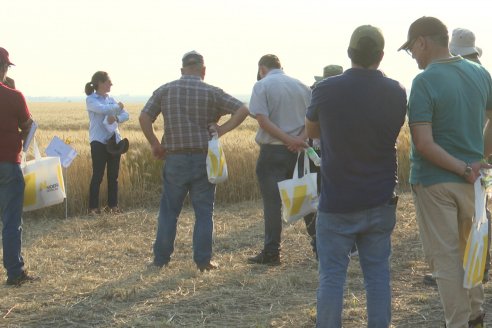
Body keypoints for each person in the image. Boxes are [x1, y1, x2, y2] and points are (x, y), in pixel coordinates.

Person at [306, 25, 406, 327]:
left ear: (349, 53)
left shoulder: (325, 89)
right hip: (380, 197)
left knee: (331, 277)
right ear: (381, 55)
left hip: (337, 200)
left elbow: (311, 133)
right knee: (377, 276)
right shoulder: (396, 90)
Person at [398, 16, 492, 328]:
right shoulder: (480, 73)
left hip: (435, 181)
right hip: (473, 183)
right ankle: (476, 313)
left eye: (412, 50)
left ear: (422, 41)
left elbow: (424, 144)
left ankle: (457, 321)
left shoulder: (424, 81)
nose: (414, 57)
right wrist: (479, 158)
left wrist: (462, 167)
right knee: (471, 248)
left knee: (446, 258)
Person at [139, 51, 249, 272]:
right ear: (203, 70)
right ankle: (203, 261)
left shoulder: (166, 90)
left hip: (175, 158)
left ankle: (160, 260)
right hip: (203, 157)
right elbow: (243, 109)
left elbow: (144, 117)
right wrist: (221, 130)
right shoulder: (211, 92)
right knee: (204, 212)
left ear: (182, 70)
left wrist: (155, 144)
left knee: (169, 211)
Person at [423, 27, 491, 287]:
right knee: (478, 216)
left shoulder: (448, 75)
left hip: (456, 164)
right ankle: (479, 268)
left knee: (459, 225)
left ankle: (468, 270)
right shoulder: (483, 74)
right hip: (480, 161)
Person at [247, 54, 313, 265]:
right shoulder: (302, 86)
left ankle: (272, 252)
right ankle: (320, 248)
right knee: (307, 200)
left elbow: (262, 121)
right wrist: (298, 141)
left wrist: (286, 140)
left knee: (272, 204)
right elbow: (312, 120)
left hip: (272, 152)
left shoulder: (262, 85)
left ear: (261, 69)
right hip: (299, 152)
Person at [0, 47, 39, 286]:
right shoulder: (14, 96)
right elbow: (28, 125)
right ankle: (15, 272)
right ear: (4, 68)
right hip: (7, 165)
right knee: (11, 221)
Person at [304, 64, 344, 259]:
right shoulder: (348, 97)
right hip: (338, 156)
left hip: (317, 154)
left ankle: (319, 243)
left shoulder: (318, 95)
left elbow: (310, 128)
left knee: (318, 200)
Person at [84, 71, 129, 215]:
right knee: (98, 175)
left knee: (113, 176)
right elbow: (102, 109)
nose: (111, 84)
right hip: (98, 141)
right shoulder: (91, 99)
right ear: (100, 83)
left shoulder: (111, 98)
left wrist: (116, 118)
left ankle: (113, 206)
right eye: (109, 82)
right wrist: (118, 108)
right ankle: (93, 208)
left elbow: (126, 115)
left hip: (114, 140)